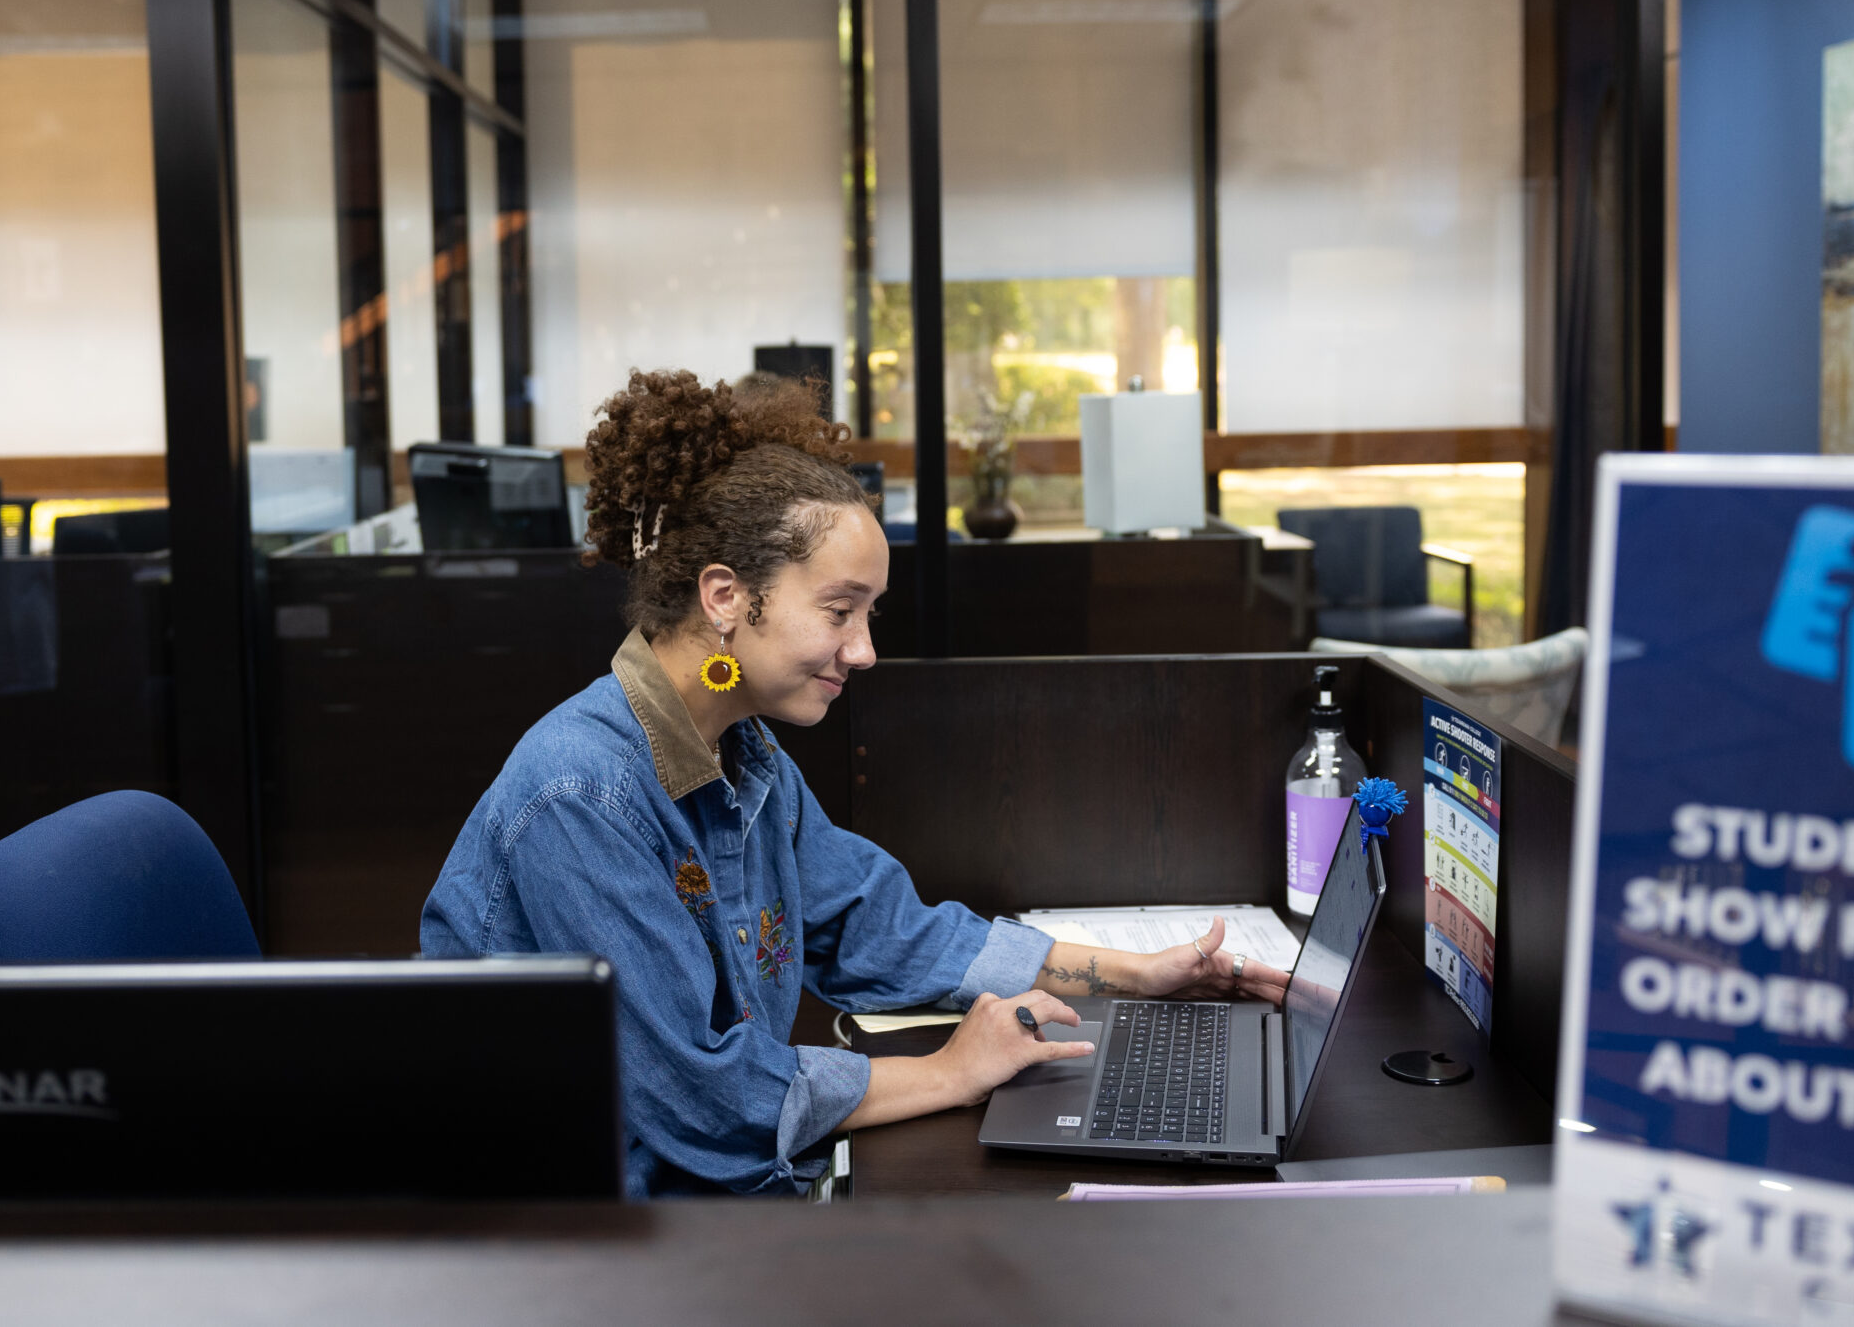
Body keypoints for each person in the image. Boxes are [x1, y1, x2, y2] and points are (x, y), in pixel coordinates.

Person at [421, 368, 1290, 1197]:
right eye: (840, 611)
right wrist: (949, 1072)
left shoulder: (747, 755)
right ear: (725, 595)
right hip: (576, 1235)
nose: (864, 648)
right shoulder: (583, 792)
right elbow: (704, 1099)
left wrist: (1139, 975)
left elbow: (883, 930)